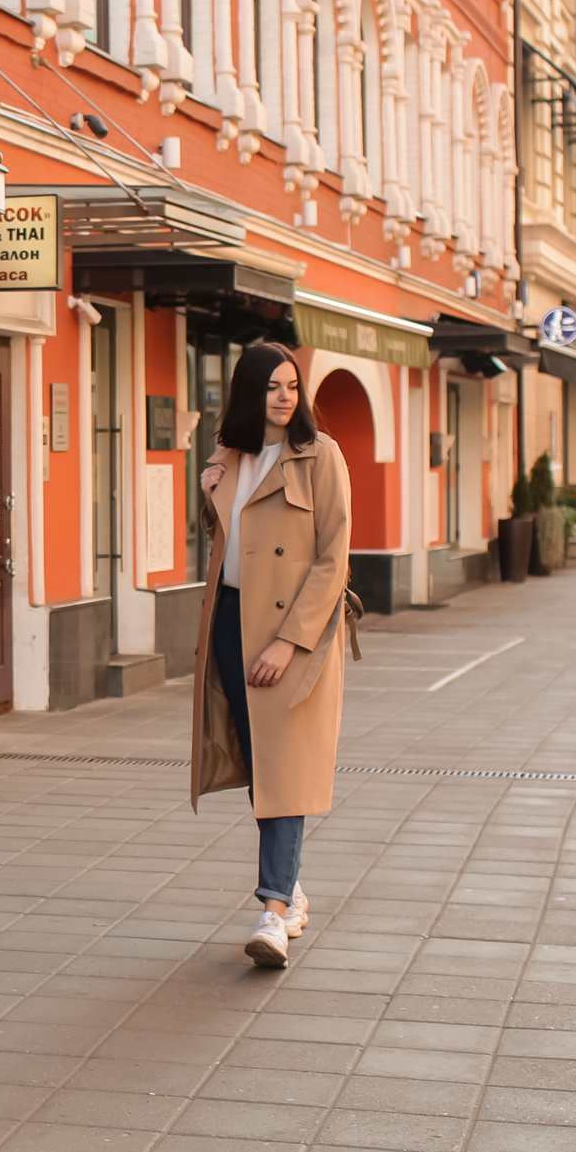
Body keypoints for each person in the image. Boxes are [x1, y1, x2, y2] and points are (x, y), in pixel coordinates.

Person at [189, 343, 352, 969]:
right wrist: (208, 498)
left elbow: (333, 557)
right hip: (232, 621)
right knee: (264, 765)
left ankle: (274, 912)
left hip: (291, 631)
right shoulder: (227, 457)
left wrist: (290, 641)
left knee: (286, 768)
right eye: (271, 387)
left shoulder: (320, 456)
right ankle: (293, 888)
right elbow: (233, 547)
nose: (285, 397)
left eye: (292, 386)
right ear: (248, 394)